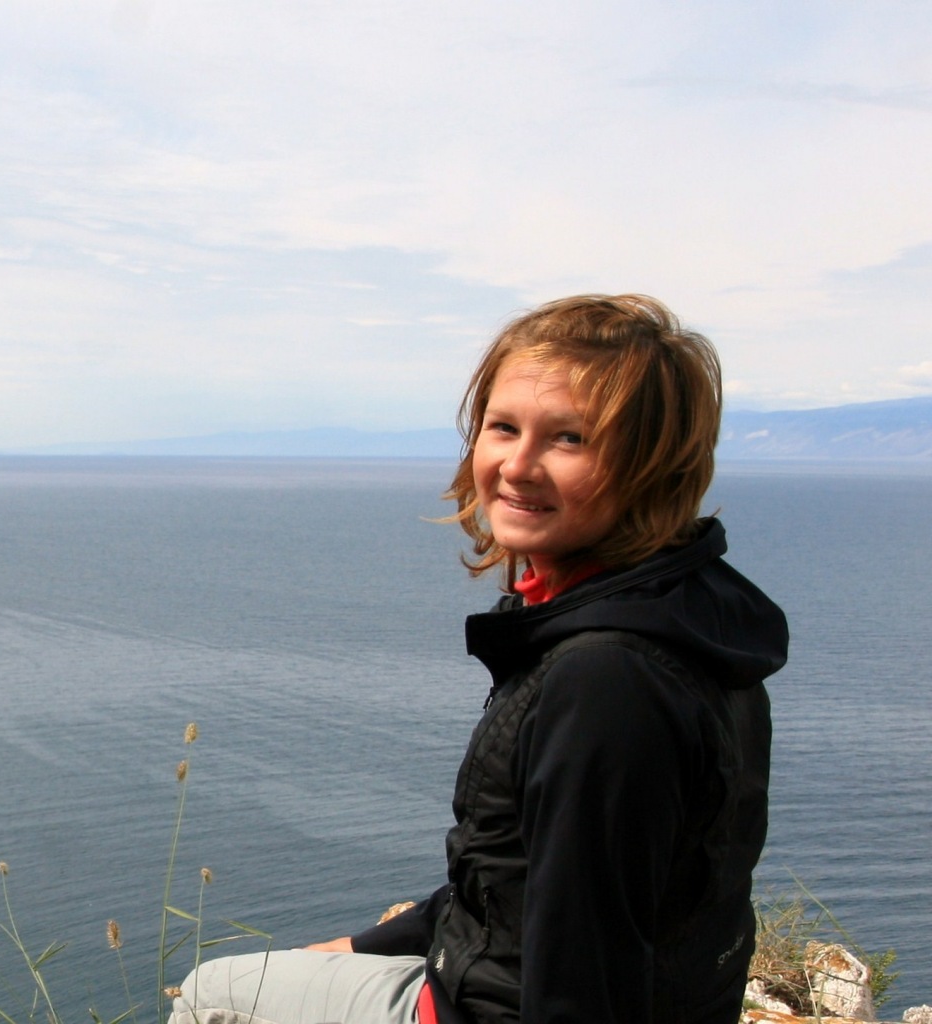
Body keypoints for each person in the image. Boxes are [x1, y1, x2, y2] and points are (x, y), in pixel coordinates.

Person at [170, 294, 788, 1024]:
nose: (517, 466)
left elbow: (584, 982)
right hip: (588, 989)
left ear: (652, 465)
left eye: (569, 439)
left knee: (213, 995)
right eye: (503, 427)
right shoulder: (686, 619)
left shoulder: (605, 680)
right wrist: (368, 945)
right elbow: (515, 881)